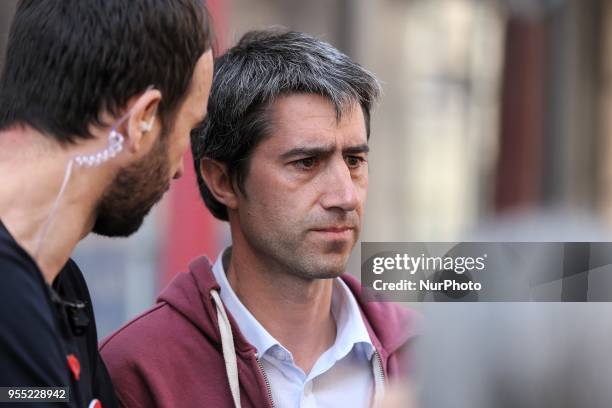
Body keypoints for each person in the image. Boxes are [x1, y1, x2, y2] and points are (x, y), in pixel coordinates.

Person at [101, 29, 419, 408]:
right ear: (222, 180)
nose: (346, 196)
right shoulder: (138, 370)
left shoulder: (424, 356)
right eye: (306, 163)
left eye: (354, 161)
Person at [0, 1, 213, 406]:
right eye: (187, 128)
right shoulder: (13, 296)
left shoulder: (63, 287)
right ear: (142, 120)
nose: (181, 169)